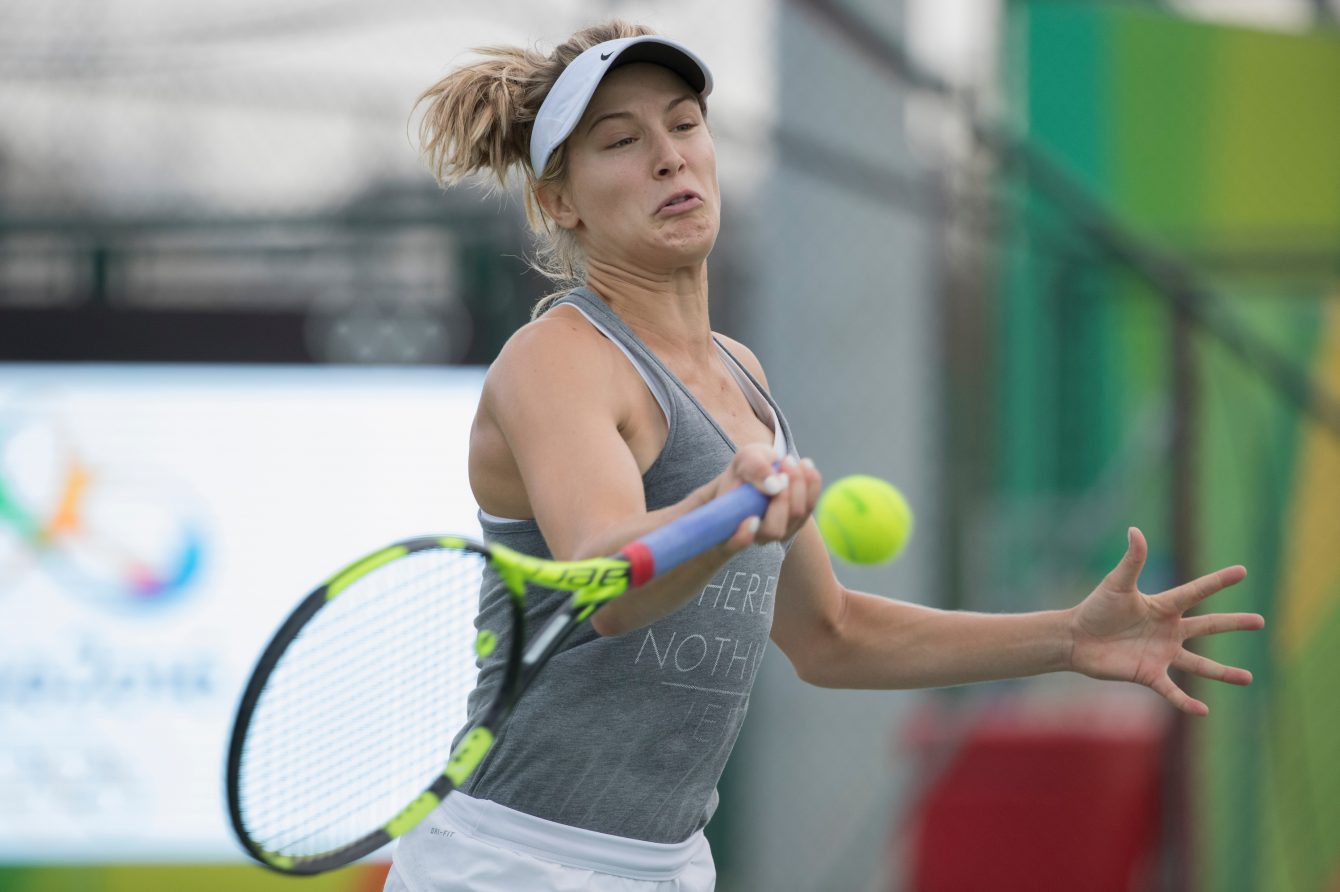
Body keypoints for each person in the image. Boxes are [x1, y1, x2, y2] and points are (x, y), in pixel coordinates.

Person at [385, 21, 1265, 892]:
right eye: (621, 141)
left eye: (685, 123)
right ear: (559, 202)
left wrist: (1069, 638)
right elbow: (606, 579)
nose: (669, 157)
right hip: (509, 864)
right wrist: (721, 515)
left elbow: (829, 635)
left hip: (667, 865)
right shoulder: (558, 359)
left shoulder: (742, 376)